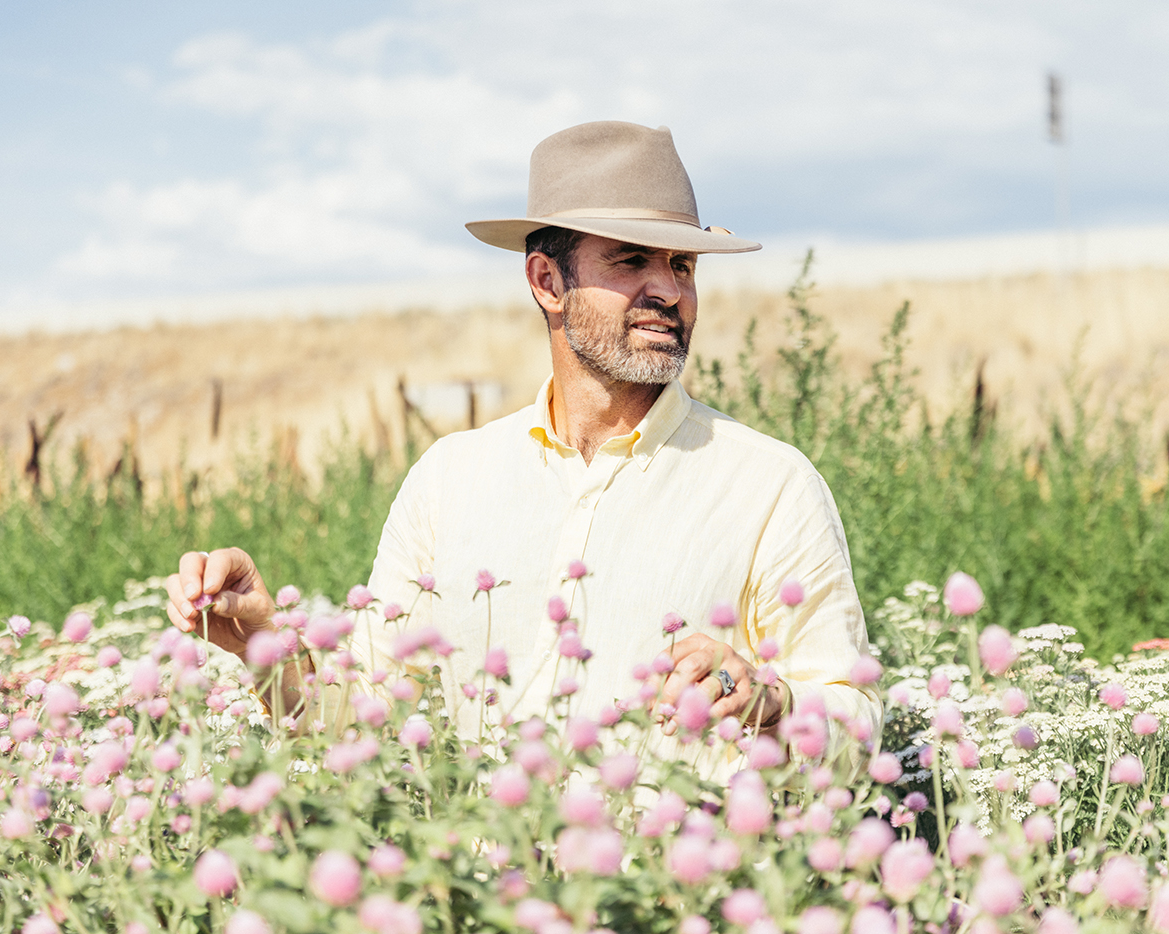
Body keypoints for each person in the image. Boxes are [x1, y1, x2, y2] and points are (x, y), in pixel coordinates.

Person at [166, 121, 880, 772]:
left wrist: (771, 700)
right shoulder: (450, 478)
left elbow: (858, 723)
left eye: (684, 266)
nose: (670, 289)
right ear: (547, 281)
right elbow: (365, 724)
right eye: (632, 261)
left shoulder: (769, 485)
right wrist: (263, 643)